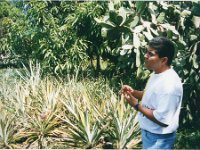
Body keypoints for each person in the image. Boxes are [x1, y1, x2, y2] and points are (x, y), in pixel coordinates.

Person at [120, 37, 183, 149]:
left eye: (151, 54)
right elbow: (151, 95)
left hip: (159, 139)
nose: (146, 56)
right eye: (146, 52)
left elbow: (162, 119)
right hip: (151, 134)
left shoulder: (170, 85)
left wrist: (136, 105)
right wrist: (133, 92)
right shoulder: (157, 73)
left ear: (163, 60)